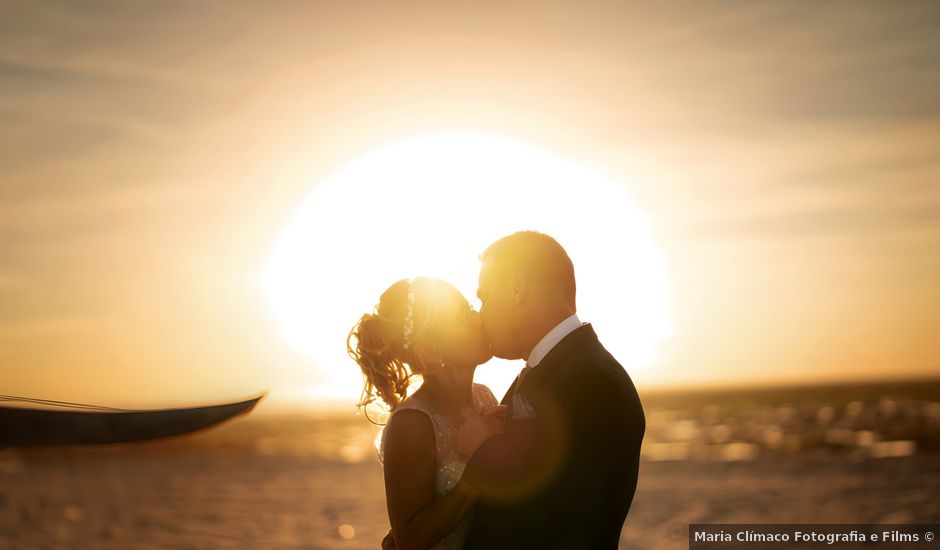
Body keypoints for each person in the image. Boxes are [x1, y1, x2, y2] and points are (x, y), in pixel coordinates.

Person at [456, 231, 646, 549]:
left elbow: (559, 523)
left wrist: (482, 451)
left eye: (485, 297)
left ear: (517, 288)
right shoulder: (549, 370)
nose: (481, 313)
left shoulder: (592, 381)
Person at [347, 277, 504, 550]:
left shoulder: (485, 396)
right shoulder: (413, 422)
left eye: (470, 307)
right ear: (430, 348)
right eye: (461, 316)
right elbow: (410, 540)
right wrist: (480, 463)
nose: (477, 317)